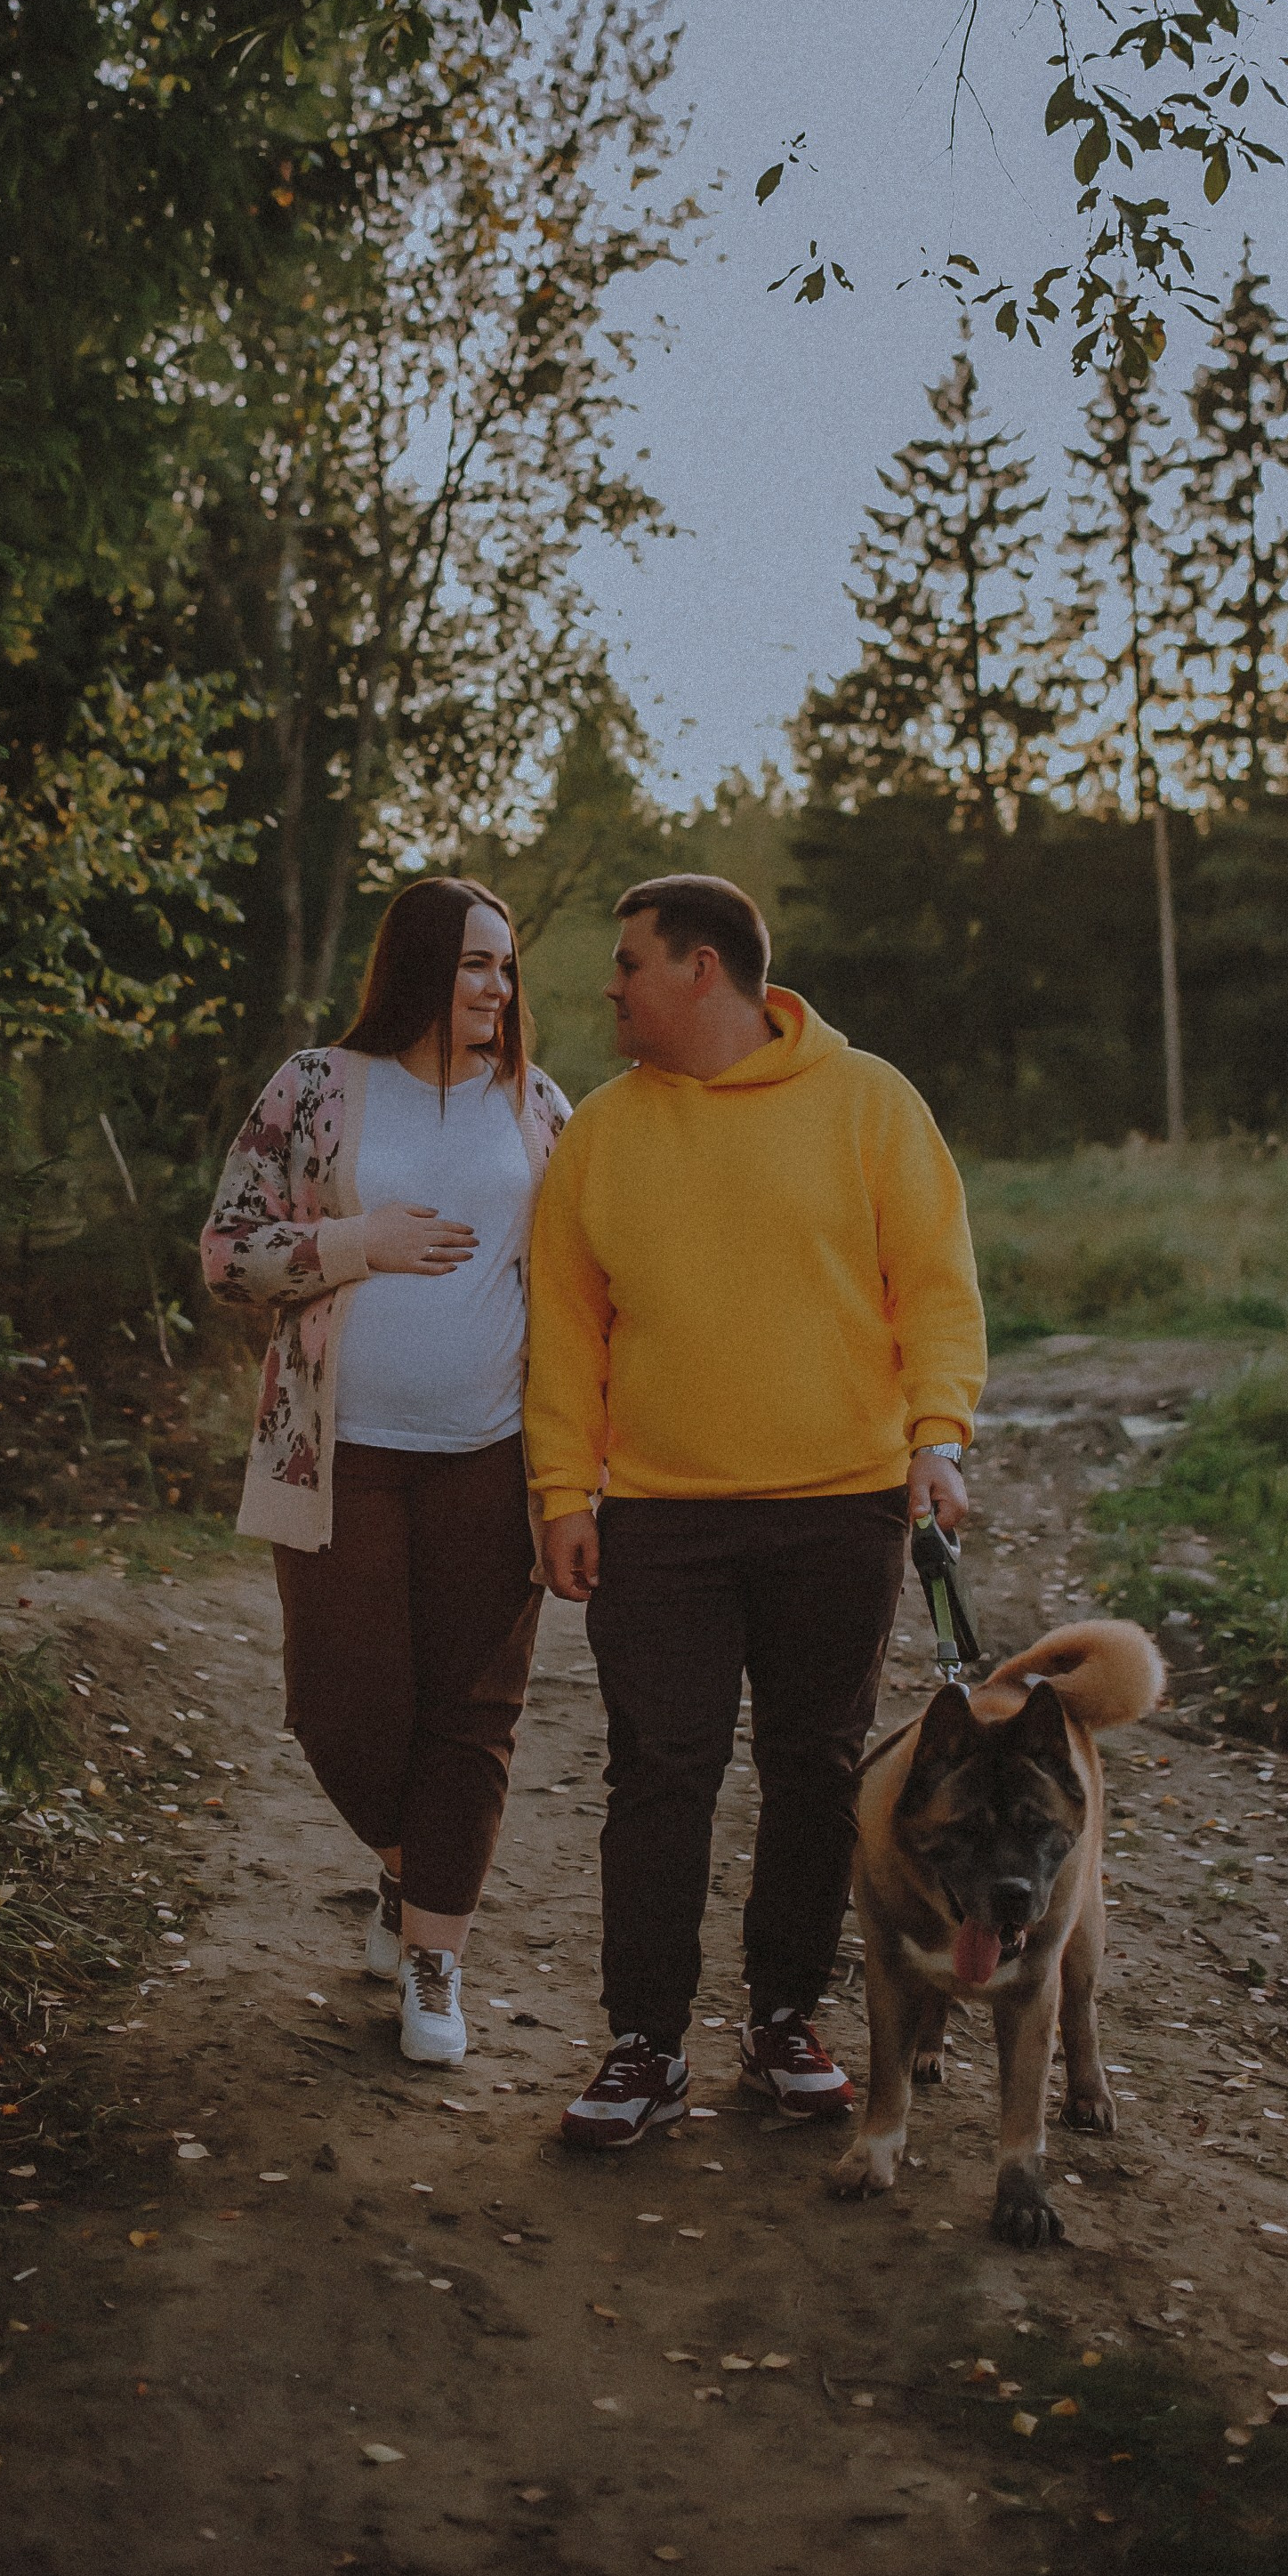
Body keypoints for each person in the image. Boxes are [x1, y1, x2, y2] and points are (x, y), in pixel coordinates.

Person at [525, 873, 986, 2148]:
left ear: (702, 972)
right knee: (660, 1770)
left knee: (814, 1769)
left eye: (627, 965)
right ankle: (644, 2046)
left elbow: (936, 1287)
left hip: (837, 1509)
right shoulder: (603, 1136)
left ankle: (785, 2017)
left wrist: (935, 1438)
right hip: (660, 1520)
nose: (607, 988)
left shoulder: (870, 1104)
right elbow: (563, 1334)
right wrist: (564, 1492)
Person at [200, 878, 570, 2066]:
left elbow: (583, 1281)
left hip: (492, 1459)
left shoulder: (538, 1106)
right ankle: (406, 1869)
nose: (496, 990)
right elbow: (224, 1257)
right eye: (474, 966)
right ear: (417, 968)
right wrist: (360, 1243)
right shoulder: (317, 1088)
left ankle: (433, 1953)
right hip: (340, 1459)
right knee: (342, 1708)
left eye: (506, 969)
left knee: (475, 1712)